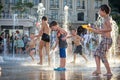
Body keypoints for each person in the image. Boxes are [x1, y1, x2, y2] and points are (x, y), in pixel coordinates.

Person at [90, 4, 113, 76]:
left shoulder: (107, 19)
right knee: (96, 54)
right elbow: (101, 32)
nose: (98, 12)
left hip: (107, 40)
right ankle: (98, 70)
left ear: (103, 11)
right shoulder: (104, 19)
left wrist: (100, 29)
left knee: (103, 56)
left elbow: (110, 29)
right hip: (104, 40)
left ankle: (109, 72)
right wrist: (92, 29)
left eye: (99, 11)